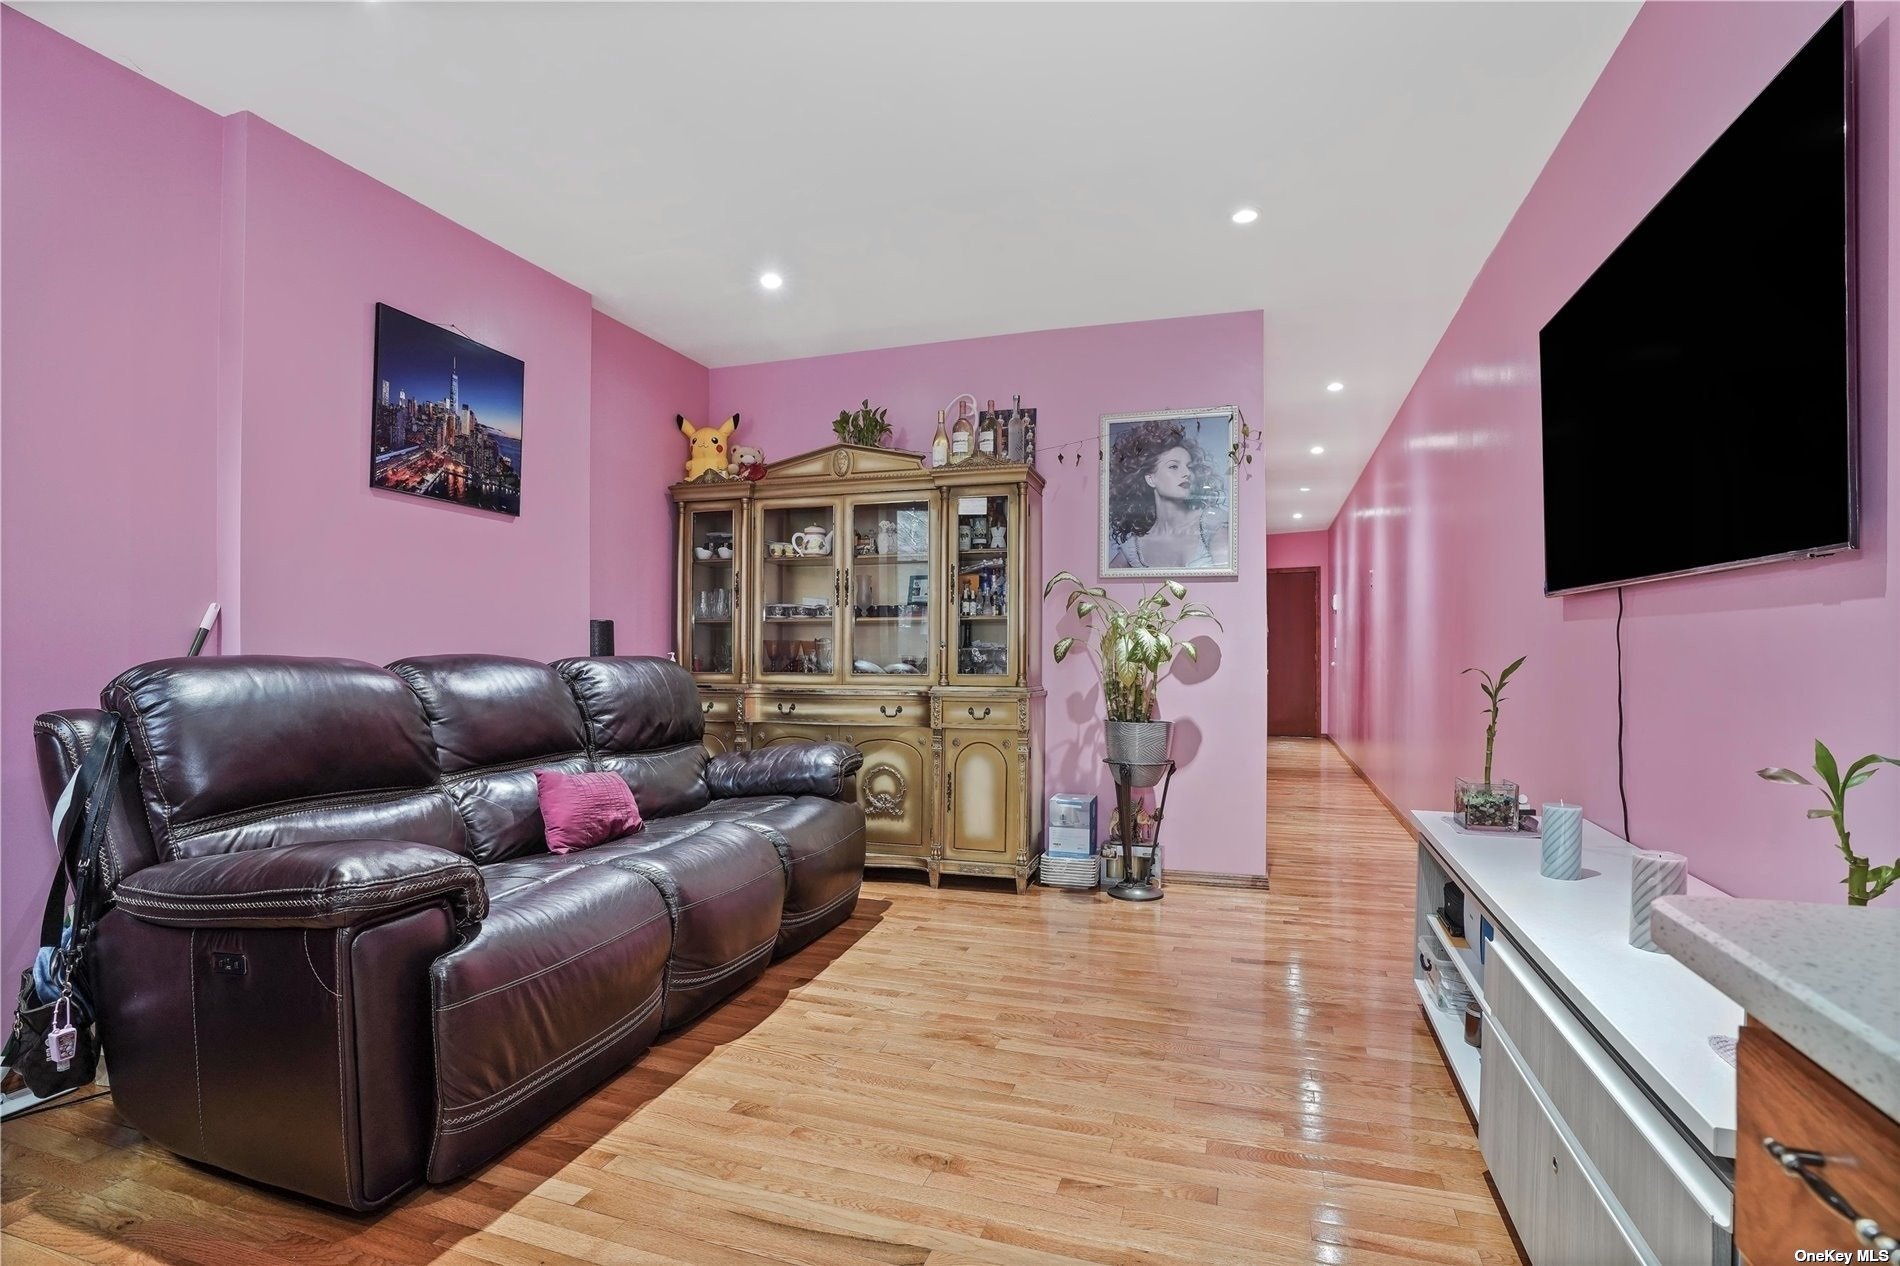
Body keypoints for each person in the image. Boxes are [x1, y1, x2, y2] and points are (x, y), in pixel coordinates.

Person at [1108, 420, 1229, 570]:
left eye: (1189, 467)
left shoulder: (1211, 523)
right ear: (1150, 479)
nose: (1186, 473)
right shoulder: (1134, 547)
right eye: (1174, 466)